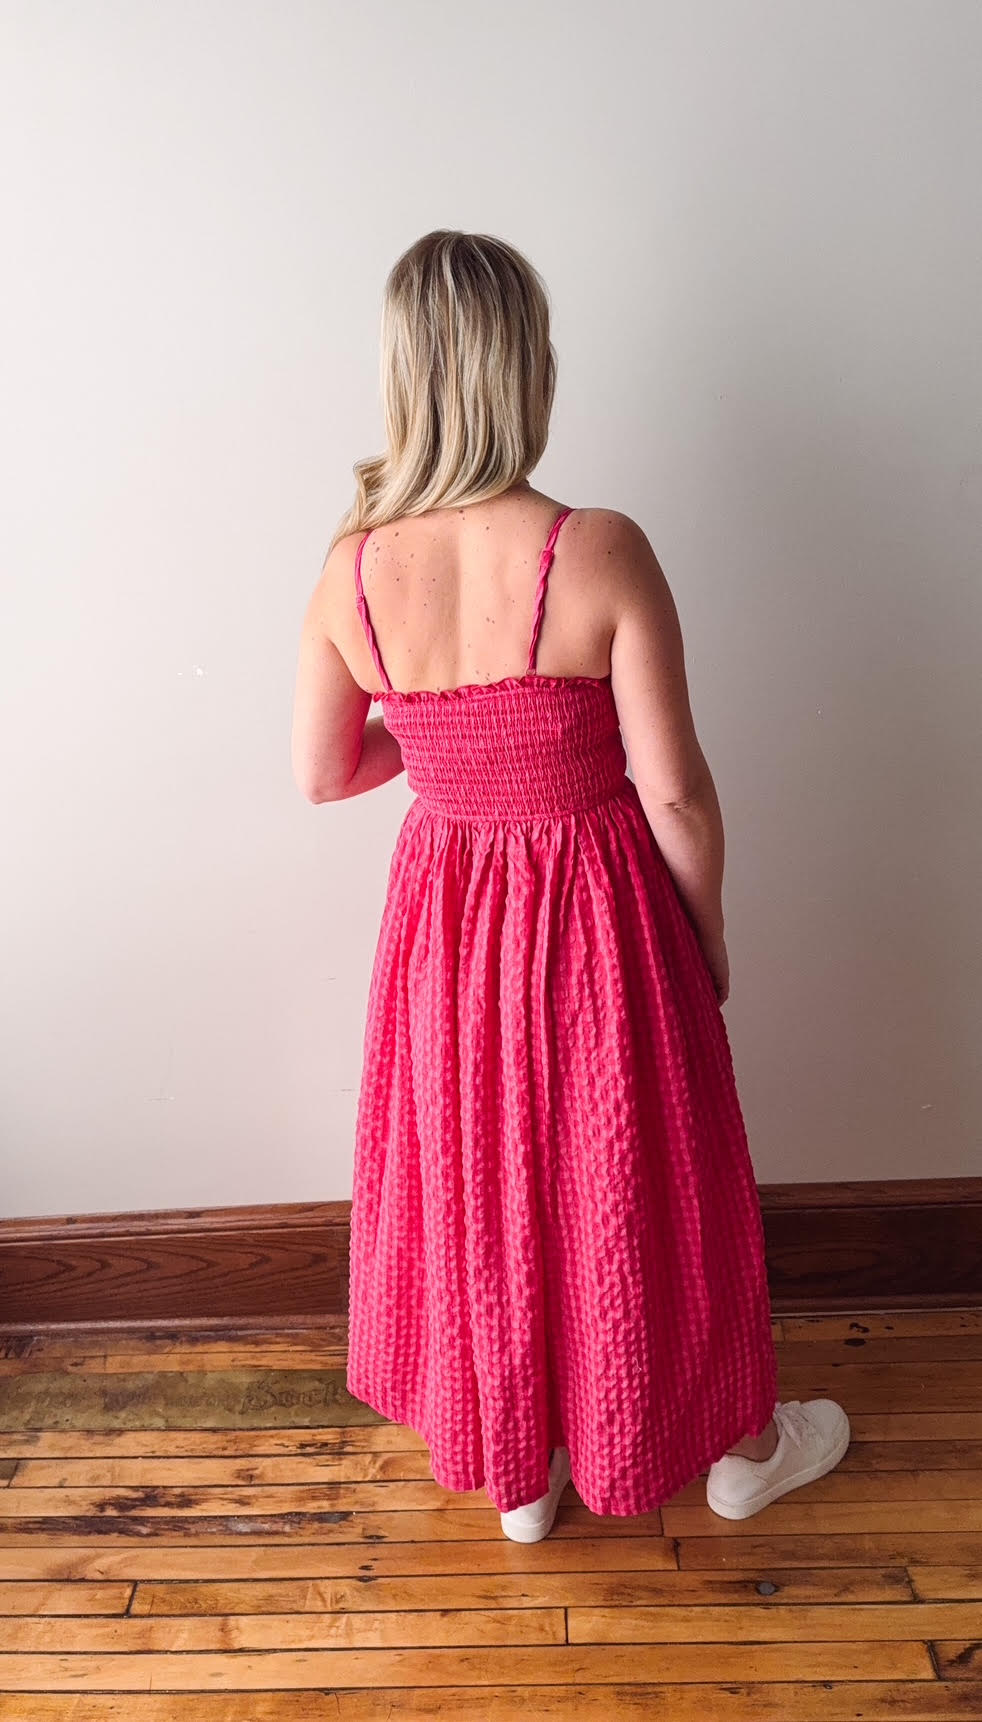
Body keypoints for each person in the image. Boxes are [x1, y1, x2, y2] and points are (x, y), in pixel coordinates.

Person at [291, 228, 850, 1544]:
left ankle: (524, 1472)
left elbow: (323, 769)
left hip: (448, 918)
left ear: (406, 377)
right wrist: (704, 934)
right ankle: (739, 1451)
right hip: (597, 908)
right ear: (522, 369)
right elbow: (675, 793)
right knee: (646, 1174)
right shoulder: (595, 549)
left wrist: (448, 748)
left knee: (488, 1174)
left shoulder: (350, 570)